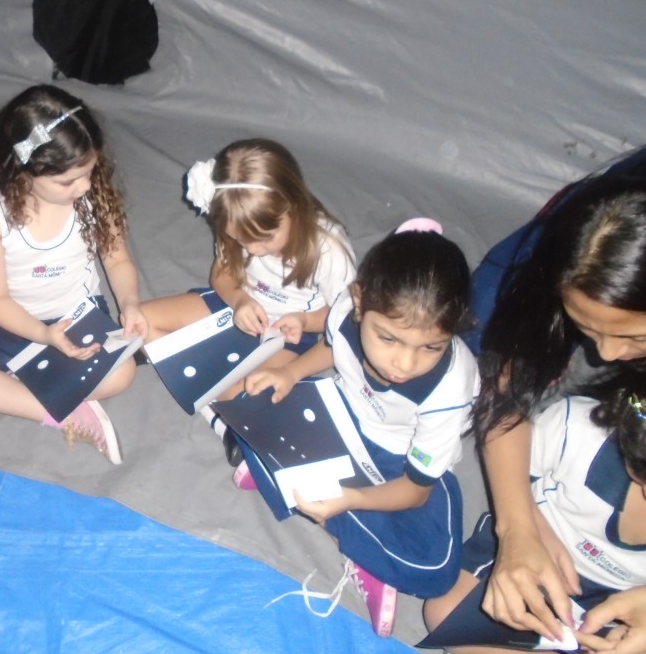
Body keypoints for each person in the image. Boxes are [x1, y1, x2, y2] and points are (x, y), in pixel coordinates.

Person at [245, 219, 478, 637]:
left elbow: (416, 489)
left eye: (431, 347)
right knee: (254, 398)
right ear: (358, 301)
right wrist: (291, 373)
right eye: (388, 339)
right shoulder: (345, 312)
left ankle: (304, 498)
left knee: (437, 570)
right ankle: (344, 526)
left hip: (400, 461)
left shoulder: (450, 387)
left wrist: (350, 499)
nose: (404, 364)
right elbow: (331, 348)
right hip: (342, 416)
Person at [470, 173, 646, 648]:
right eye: (587, 328)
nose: (606, 355)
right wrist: (518, 527)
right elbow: (507, 388)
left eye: (632, 336)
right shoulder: (549, 274)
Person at [0, 84, 146, 464]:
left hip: (76, 316)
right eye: (68, 181)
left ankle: (1, 392)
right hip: (12, 318)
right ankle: (62, 411)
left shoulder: (92, 199)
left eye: (89, 172)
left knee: (123, 373)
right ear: (24, 169)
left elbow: (118, 261)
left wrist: (130, 303)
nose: (84, 186)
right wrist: (43, 334)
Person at [140, 139, 355, 452]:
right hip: (236, 307)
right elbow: (222, 275)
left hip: (290, 334)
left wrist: (303, 320)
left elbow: (344, 321)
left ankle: (207, 394)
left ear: (293, 205)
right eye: (240, 240)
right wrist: (239, 300)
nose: (253, 249)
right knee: (140, 322)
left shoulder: (328, 249)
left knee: (251, 394)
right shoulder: (234, 213)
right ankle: (219, 413)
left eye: (265, 238)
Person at [423, 377, 646, 654]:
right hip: (530, 540)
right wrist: (535, 529)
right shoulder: (580, 431)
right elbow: (513, 475)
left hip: (621, 596)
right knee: (448, 612)